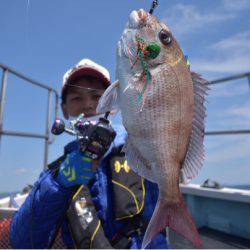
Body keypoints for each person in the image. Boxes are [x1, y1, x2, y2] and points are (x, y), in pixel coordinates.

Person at [9, 59, 169, 249]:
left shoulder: (140, 144)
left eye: (96, 96)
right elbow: (22, 243)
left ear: (113, 103)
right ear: (64, 110)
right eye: (77, 98)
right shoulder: (56, 173)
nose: (88, 105)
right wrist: (58, 182)